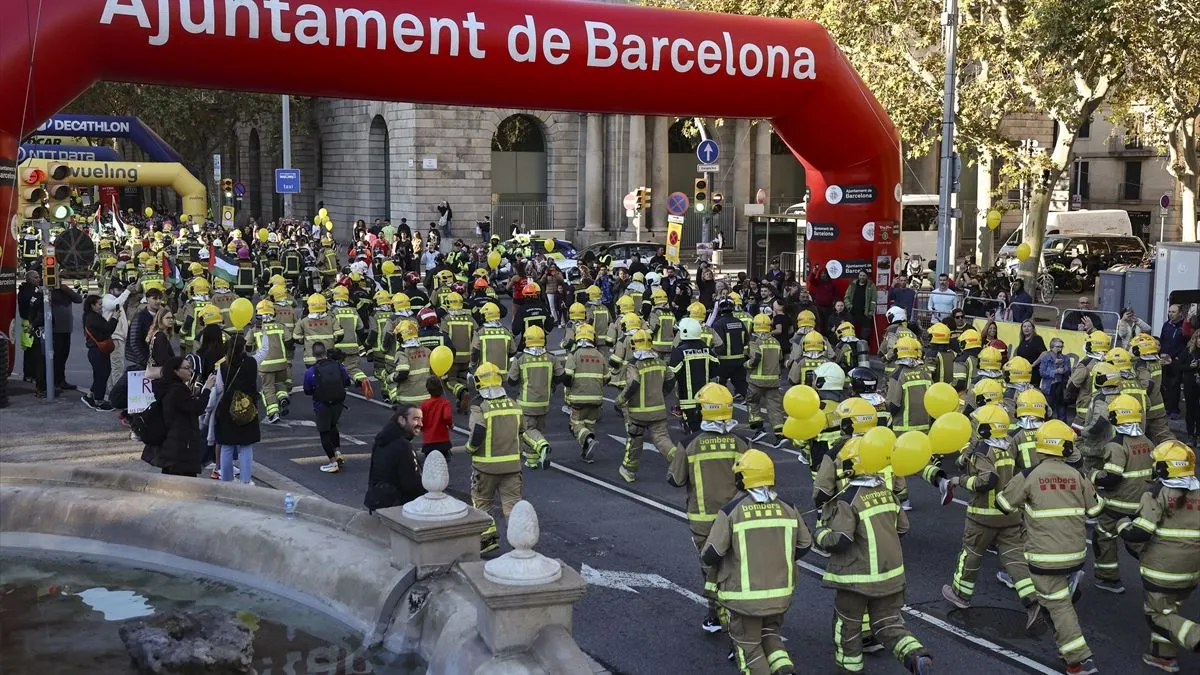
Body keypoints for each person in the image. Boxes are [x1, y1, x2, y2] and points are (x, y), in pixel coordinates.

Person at [813, 439, 933, 675]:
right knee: (888, 622)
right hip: (891, 576)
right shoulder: (887, 493)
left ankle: (850, 669)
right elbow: (902, 528)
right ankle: (915, 655)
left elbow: (841, 539)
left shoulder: (848, 499)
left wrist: (820, 534)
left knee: (847, 625)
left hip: (856, 577)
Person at [997, 420, 1104, 675]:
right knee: (1059, 601)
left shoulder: (1030, 475)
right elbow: (1097, 508)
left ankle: (1078, 661)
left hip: (1045, 557)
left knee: (1058, 605)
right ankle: (1065, 645)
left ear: (1040, 447)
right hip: (1076, 554)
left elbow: (1004, 504)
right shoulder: (1077, 475)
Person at [702, 449, 810, 675]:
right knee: (771, 635)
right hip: (780, 593)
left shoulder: (732, 511)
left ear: (742, 479)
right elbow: (804, 545)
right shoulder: (788, 508)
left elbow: (710, 554)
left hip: (744, 599)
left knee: (749, 648)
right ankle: (785, 670)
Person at [942, 405, 1042, 626]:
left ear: (986, 429)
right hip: (1010, 515)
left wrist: (961, 481)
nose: (975, 428)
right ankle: (1033, 603)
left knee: (970, 555)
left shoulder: (982, 451)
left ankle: (960, 595)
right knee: (1015, 560)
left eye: (978, 425)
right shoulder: (1007, 446)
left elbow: (988, 480)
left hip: (982, 517)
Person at [667, 383, 746, 633]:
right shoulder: (741, 443)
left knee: (711, 571)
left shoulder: (689, 444)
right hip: (736, 518)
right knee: (736, 567)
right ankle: (738, 619)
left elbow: (676, 480)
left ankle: (722, 620)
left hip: (703, 521)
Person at [1115, 440, 1200, 673]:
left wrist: (1121, 524)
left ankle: (1194, 635)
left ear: (1164, 467)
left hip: (1161, 570)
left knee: (1156, 616)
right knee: (1168, 611)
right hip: (1191, 572)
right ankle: (1163, 656)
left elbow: (1139, 532)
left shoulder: (1157, 493)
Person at [462, 362, 525, 553]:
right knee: (512, 506)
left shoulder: (479, 407)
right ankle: (520, 542)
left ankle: (486, 540)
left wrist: (470, 448)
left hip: (485, 468)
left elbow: (478, 430)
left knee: (482, 502)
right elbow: (521, 431)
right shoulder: (514, 405)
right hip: (512, 467)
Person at [206, 333, 260, 484]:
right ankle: (245, 480)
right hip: (247, 406)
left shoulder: (223, 365)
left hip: (227, 409)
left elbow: (219, 388)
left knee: (227, 446)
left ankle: (227, 479)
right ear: (243, 348)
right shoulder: (251, 363)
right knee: (246, 446)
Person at [151, 356, 214, 477]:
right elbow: (197, 408)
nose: (191, 371)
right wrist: (207, 389)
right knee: (184, 485)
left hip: (172, 444)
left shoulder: (168, 387)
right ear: (175, 371)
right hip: (180, 446)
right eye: (186, 368)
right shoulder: (177, 390)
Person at [364, 403, 427, 512]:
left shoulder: (382, 440)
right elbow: (411, 484)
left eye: (421, 419)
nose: (420, 424)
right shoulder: (403, 446)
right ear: (402, 420)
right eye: (416, 419)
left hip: (377, 501)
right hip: (398, 508)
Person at [303, 342, 351, 473]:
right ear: (325, 352)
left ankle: (332, 462)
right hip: (338, 403)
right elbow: (346, 380)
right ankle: (338, 452)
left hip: (322, 404)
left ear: (313, 354)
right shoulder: (338, 366)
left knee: (324, 432)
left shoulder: (311, 371)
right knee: (333, 425)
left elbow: (307, 390)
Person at [82, 294, 118, 411]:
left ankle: (90, 396)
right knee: (101, 376)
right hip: (98, 351)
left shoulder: (90, 316)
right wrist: (115, 317)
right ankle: (99, 402)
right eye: (99, 305)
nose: (101, 307)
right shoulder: (93, 317)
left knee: (100, 375)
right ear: (92, 305)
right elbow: (107, 328)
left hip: (96, 351)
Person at [50, 280, 83, 390]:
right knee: (56, 357)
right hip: (55, 330)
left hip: (66, 329)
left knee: (64, 356)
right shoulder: (49, 292)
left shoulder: (65, 292)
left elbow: (79, 299)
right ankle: (54, 381)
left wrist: (67, 289)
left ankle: (61, 380)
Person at [1159, 304, 1186, 418]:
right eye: (1169, 311)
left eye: (1173, 312)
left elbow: (1186, 344)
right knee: (1164, 384)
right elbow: (1162, 340)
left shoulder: (1184, 327)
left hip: (1176, 360)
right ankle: (1165, 408)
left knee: (1174, 385)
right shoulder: (1166, 325)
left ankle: (1174, 410)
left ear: (1180, 313)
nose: (1170, 314)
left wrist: (1178, 358)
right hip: (1164, 359)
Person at [420, 377, 454, 463]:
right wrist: (450, 425)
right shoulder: (445, 403)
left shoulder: (424, 404)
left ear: (428, 390)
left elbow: (420, 419)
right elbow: (447, 417)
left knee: (430, 465)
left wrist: (422, 428)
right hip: (442, 441)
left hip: (428, 441)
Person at [843, 270, 876, 341]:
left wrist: (871, 310)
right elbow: (846, 297)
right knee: (850, 330)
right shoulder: (852, 284)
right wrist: (849, 306)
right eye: (860, 275)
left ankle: (862, 345)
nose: (862, 277)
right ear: (858, 276)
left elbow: (874, 300)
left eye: (864, 275)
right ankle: (852, 346)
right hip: (853, 312)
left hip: (865, 313)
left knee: (866, 331)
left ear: (867, 277)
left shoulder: (871, 286)